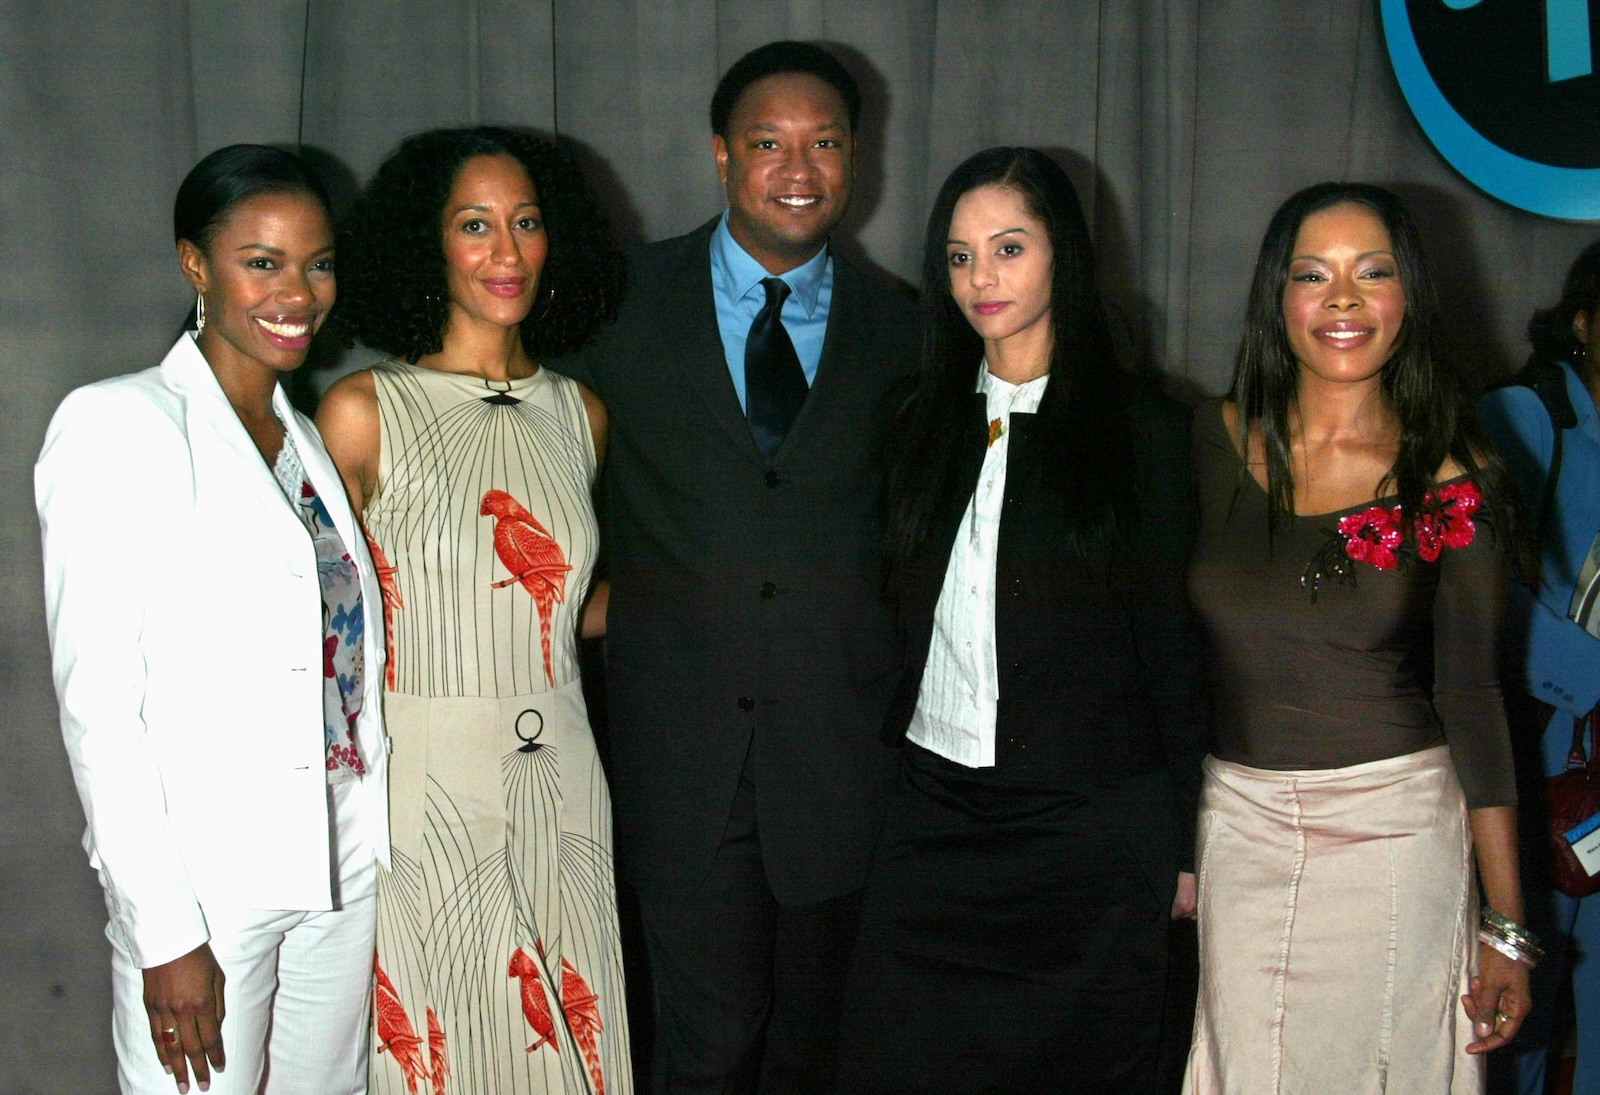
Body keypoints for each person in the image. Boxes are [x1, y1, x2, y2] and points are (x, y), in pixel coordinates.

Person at [554, 41, 919, 1094]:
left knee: (813, 1054)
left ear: (856, 159)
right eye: (768, 143)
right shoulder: (616, 302)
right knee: (706, 1050)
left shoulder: (907, 331)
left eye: (825, 143)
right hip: (679, 758)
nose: (798, 169)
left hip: (843, 760)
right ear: (721, 154)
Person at [832, 147, 1206, 1093]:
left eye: (1008, 248)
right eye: (959, 257)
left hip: (1087, 832)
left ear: (1062, 255)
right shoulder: (915, 418)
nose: (981, 279)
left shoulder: (1145, 430)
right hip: (932, 814)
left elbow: (1173, 649)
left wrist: (1185, 842)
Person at [36, 144, 390, 1094]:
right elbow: (99, 709)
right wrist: (163, 930)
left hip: (343, 863)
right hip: (210, 885)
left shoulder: (304, 436)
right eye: (261, 262)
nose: (298, 293)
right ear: (195, 263)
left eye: (318, 263)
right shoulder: (118, 425)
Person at [1182, 182, 1533, 1093]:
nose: (1343, 298)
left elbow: (1476, 699)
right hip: (1240, 827)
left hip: (1395, 834)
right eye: (1313, 274)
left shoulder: (1456, 477)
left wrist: (1506, 927)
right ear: (1278, 297)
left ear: (1408, 294)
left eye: (1372, 272)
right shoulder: (1206, 440)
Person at [317, 126, 628, 1095]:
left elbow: (565, 608)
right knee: (447, 1041)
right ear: (428, 242)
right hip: (423, 779)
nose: (506, 251)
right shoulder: (364, 410)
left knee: (566, 1044)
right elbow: (321, 626)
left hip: (561, 770)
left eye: (525, 222)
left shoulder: (580, 414)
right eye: (475, 224)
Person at [1477, 241, 1600, 1095]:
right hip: (1539, 767)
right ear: (1583, 323)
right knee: (1517, 1023)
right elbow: (1474, 594)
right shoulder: (1524, 418)